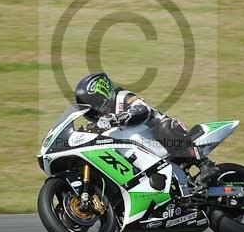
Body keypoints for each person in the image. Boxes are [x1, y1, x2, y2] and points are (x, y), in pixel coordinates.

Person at [74, 72, 219, 188]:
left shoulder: (123, 96)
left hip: (163, 135)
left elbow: (142, 109)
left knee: (163, 127)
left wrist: (122, 116)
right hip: (141, 151)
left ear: (102, 95)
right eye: (89, 107)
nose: (93, 110)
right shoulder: (101, 121)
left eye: (94, 104)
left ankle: (204, 164)